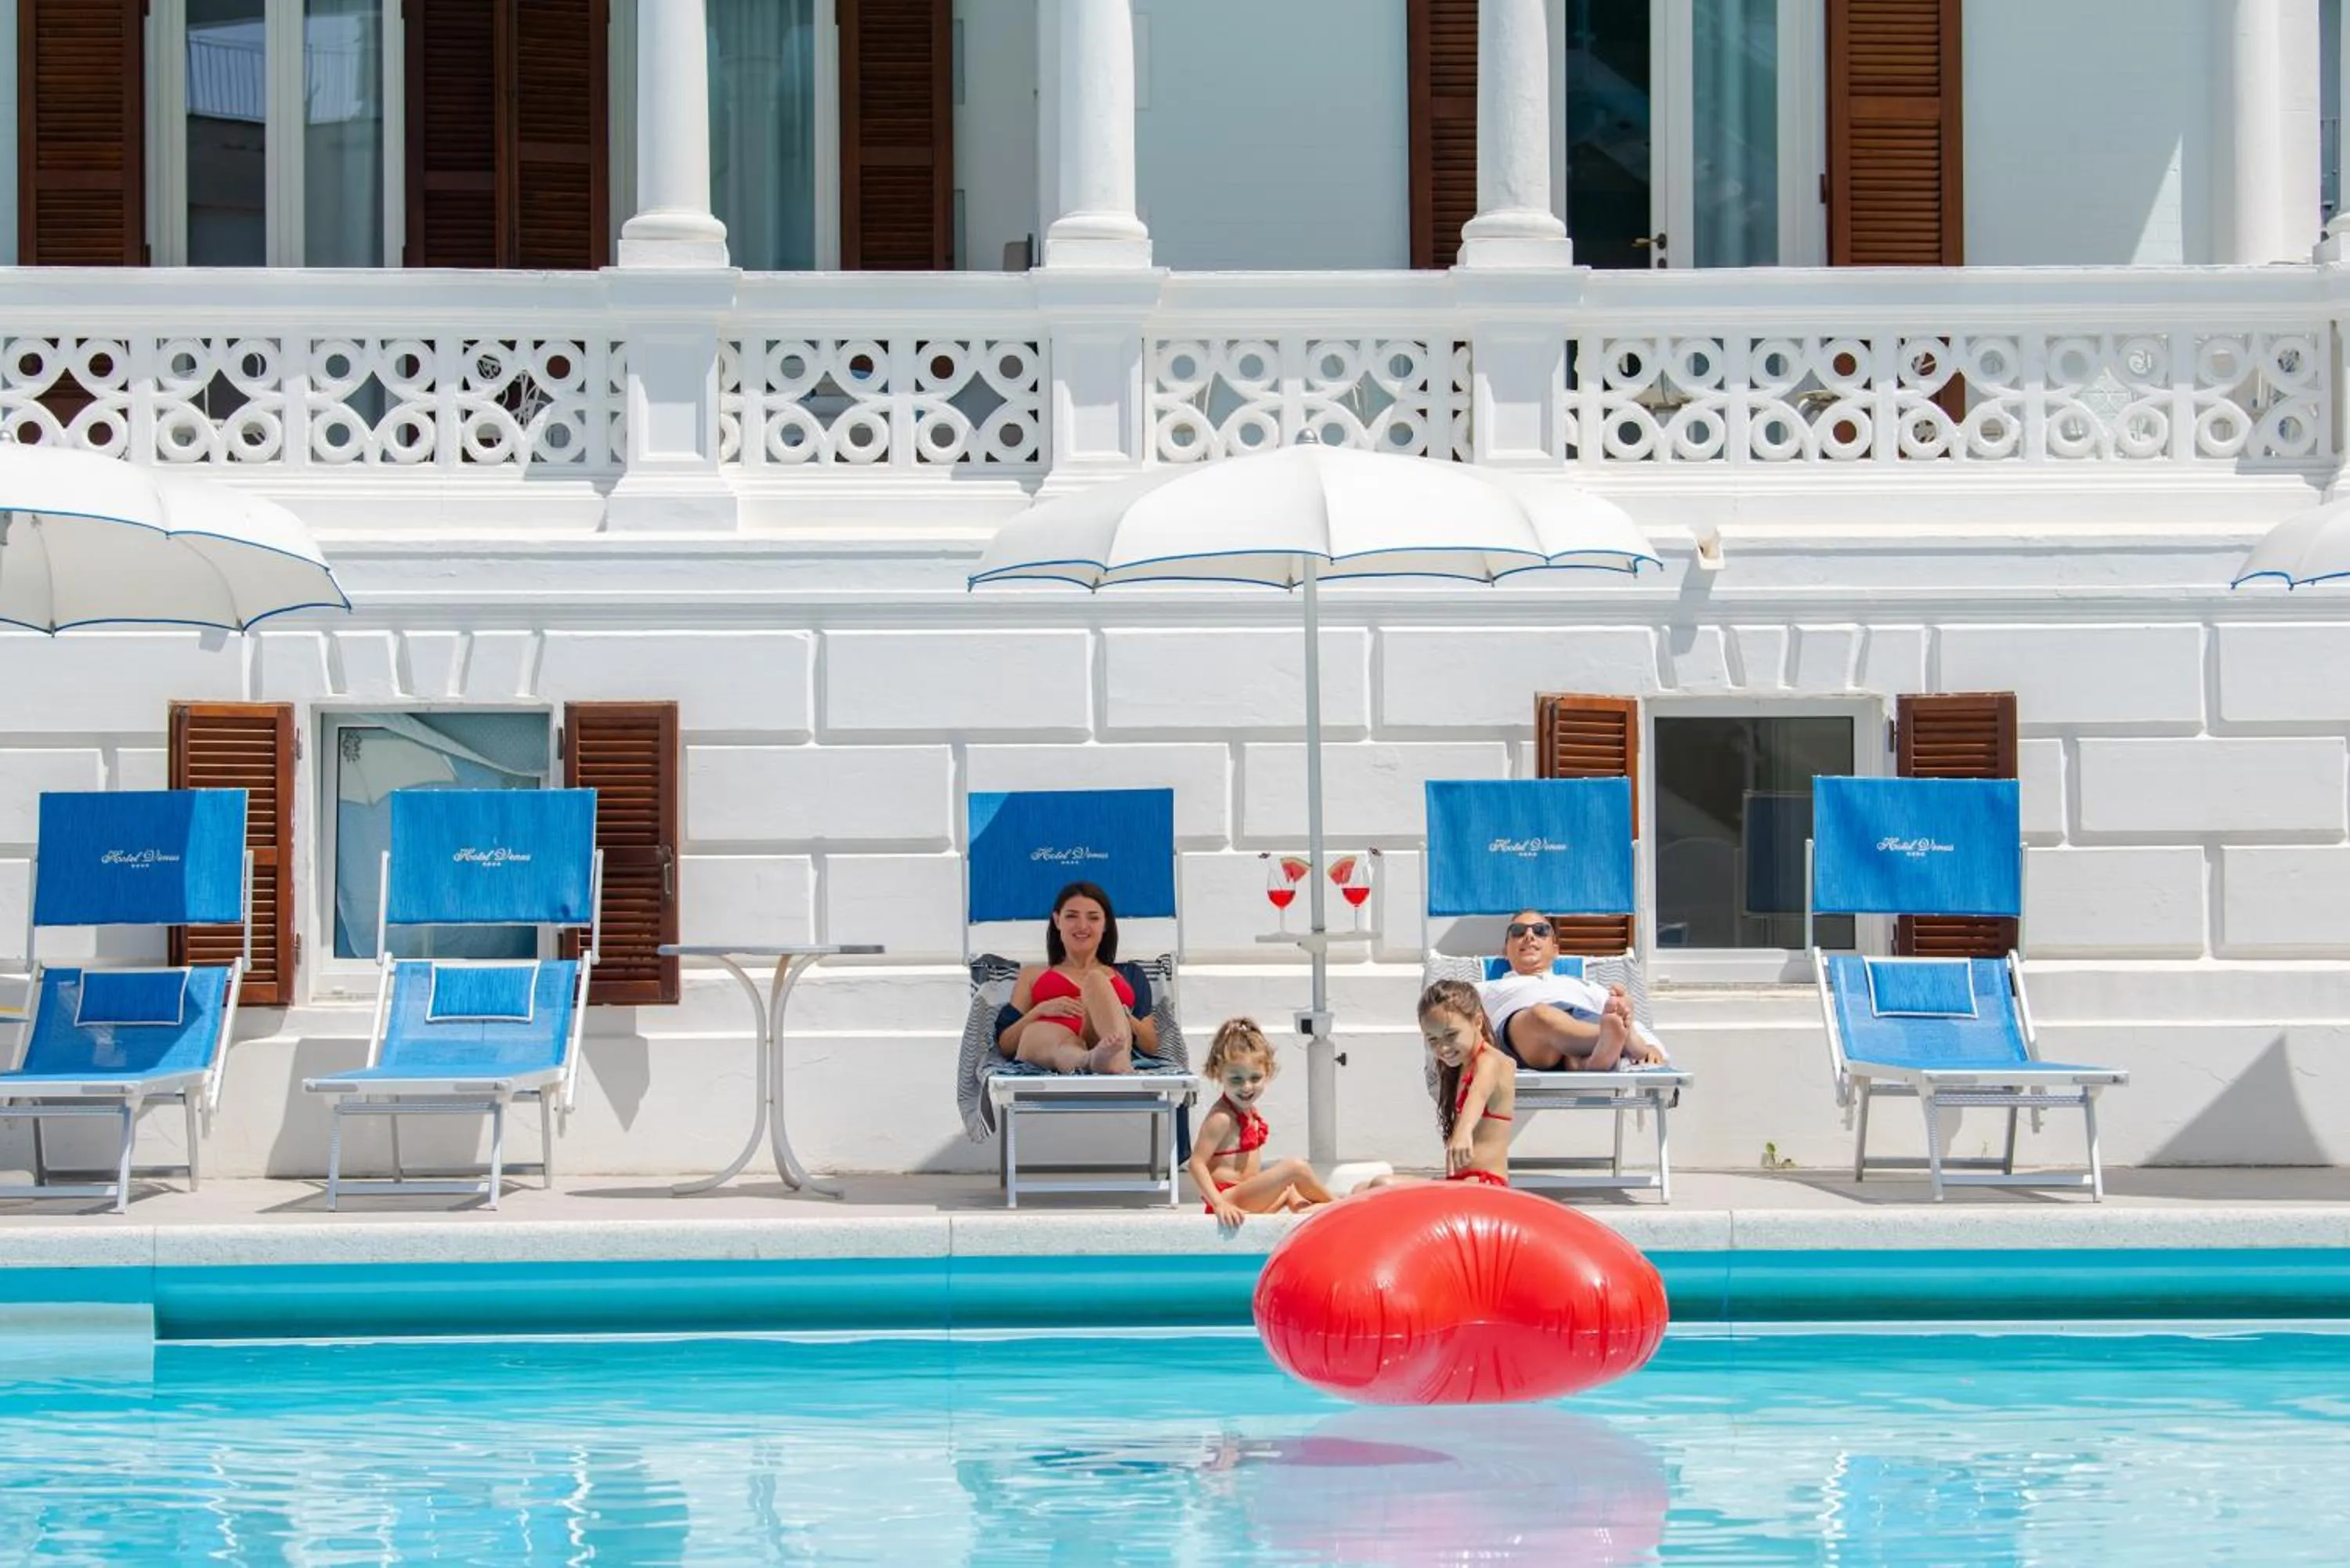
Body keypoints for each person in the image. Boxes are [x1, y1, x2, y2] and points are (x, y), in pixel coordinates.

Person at [1478, 909, 1668, 1072]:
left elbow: (1623, 1018)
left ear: (1555, 950)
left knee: (1577, 1058)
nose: (1529, 936)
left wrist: (1652, 1046)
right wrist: (1628, 1039)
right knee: (1541, 1014)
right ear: (1505, 951)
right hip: (1529, 1033)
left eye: (1541, 931)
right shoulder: (1489, 988)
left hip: (1585, 1024)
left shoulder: (1585, 986)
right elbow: (1460, 1014)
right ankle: (1615, 1040)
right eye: (1518, 931)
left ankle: (1598, 1057)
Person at [1188, 1017, 1332, 1230]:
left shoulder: (1248, 1111)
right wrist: (1219, 1204)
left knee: (1293, 1190)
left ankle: (1321, 1210)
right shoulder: (1221, 1118)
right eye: (1236, 1079)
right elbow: (1196, 1164)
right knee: (1295, 1167)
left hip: (1248, 1198)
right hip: (1229, 1201)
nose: (1247, 1087)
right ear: (1218, 1073)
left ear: (1268, 1073)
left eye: (1255, 1078)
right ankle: (1340, 1205)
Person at [1369, 979, 1517, 1189]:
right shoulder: (1462, 1066)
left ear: (1477, 1021)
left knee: (1382, 1184)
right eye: (1433, 1039)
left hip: (1485, 1185)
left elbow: (1479, 1094)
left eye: (1451, 1035)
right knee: (1362, 1189)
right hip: (1462, 1183)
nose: (1443, 1048)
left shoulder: (1492, 1061)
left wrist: (1463, 1132)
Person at [996, 881, 1157, 1074]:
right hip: (1053, 1043)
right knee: (1039, 1033)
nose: (1082, 926)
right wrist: (1039, 1011)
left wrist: (1125, 1017)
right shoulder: (1032, 974)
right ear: (1057, 921)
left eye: (1093, 918)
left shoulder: (1129, 974)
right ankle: (1090, 1060)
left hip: (1105, 1038)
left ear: (1105, 924)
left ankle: (1114, 1058)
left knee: (1096, 980)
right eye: (1072, 916)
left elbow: (1151, 1045)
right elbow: (1005, 1045)